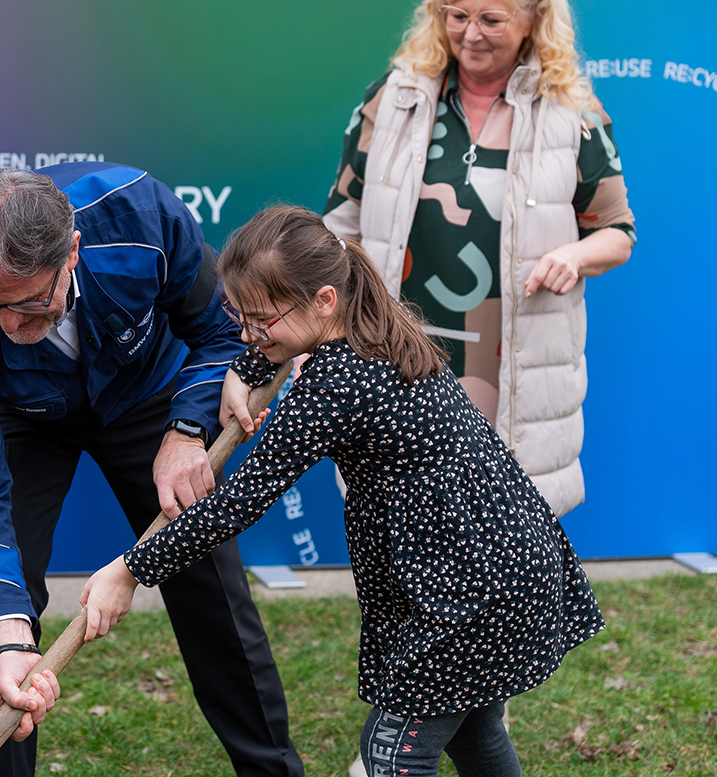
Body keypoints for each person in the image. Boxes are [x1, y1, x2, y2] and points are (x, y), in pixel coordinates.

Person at [81, 205, 605, 777]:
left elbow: (238, 502)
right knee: (474, 730)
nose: (249, 334)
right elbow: (280, 340)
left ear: (323, 300)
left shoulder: (335, 387)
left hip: (470, 588)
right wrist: (248, 367)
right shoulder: (376, 324)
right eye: (241, 318)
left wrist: (131, 569)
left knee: (392, 750)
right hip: (505, 560)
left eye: (260, 321)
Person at [0, 163, 303, 777]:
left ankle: (272, 771)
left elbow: (221, 331)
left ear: (71, 252)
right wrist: (12, 637)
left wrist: (188, 429)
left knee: (212, 588)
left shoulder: (138, 216)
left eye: (28, 302)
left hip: (152, 399)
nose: (12, 327)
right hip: (23, 418)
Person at [323, 0, 635, 519]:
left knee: (505, 537)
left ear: (532, 22)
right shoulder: (392, 100)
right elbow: (340, 224)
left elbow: (617, 230)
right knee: (401, 531)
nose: (470, 34)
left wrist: (574, 256)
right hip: (402, 352)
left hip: (513, 363)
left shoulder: (574, 113)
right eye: (457, 16)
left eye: (491, 19)